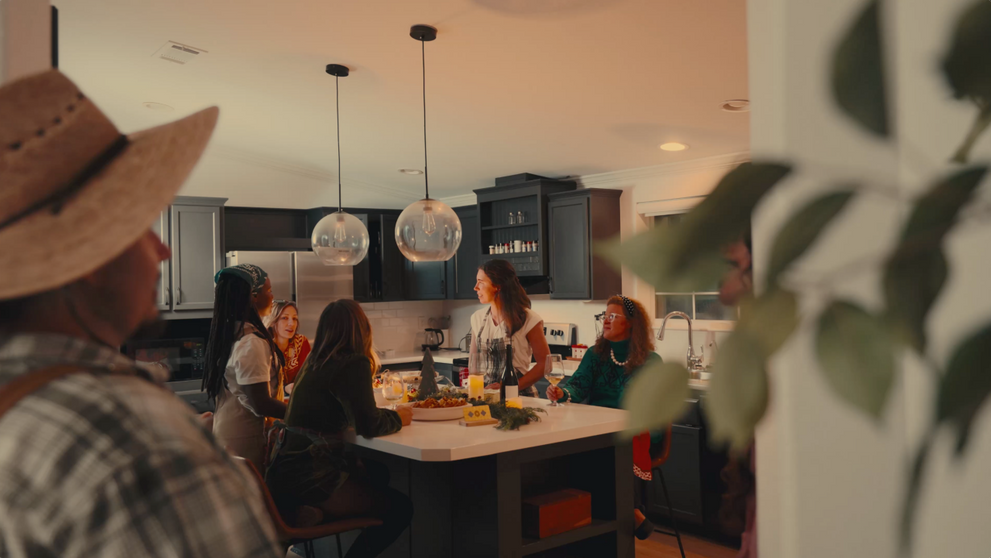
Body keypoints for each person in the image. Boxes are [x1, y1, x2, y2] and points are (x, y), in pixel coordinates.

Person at [0, 70, 281, 556]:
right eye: (138, 224)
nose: (163, 250)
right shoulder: (124, 435)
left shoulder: (19, 401)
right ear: (87, 255)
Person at [266, 299, 413, 557]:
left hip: (283, 471)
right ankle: (318, 509)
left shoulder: (314, 361)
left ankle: (314, 512)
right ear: (361, 328)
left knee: (378, 473)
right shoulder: (352, 363)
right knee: (401, 508)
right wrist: (399, 417)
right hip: (311, 473)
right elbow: (368, 425)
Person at [203, 264, 287, 470]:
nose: (273, 296)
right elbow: (261, 404)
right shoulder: (251, 342)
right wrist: (305, 412)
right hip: (244, 443)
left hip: (226, 437)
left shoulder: (230, 335)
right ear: (254, 296)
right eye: (269, 290)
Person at [546, 295, 658, 409]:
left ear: (630, 323)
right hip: (597, 422)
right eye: (605, 316)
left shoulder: (650, 361)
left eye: (612, 316)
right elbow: (577, 387)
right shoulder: (594, 354)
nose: (605, 322)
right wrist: (562, 393)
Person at [470, 259, 551, 396]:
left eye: (481, 282)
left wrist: (509, 387)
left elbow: (545, 364)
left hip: (520, 396)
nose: (475, 287)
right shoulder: (477, 318)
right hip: (486, 395)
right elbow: (473, 363)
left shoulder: (528, 319)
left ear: (498, 286)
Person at [266, 299, 311, 394]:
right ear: (273, 321)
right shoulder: (264, 345)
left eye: (294, 318)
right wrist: (285, 388)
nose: (291, 324)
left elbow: (308, 377)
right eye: (285, 318)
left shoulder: (301, 342)